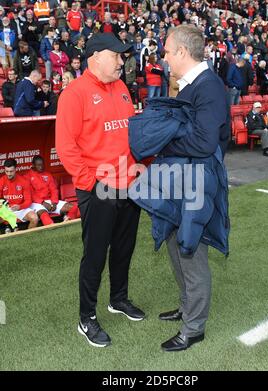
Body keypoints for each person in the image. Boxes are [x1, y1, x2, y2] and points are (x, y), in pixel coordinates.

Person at [56, 33, 145, 348]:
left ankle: (118, 299)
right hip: (99, 188)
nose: (122, 61)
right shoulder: (74, 94)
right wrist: (90, 184)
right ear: (95, 57)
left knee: (124, 248)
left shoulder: (121, 88)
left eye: (123, 56)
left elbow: (129, 134)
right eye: (117, 55)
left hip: (129, 185)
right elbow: (66, 147)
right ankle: (87, 318)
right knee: (95, 255)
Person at [157, 25, 230, 352]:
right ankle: (188, 307)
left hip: (197, 182)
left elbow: (203, 142)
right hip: (183, 179)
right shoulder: (192, 85)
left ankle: (194, 327)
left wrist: (164, 145)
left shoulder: (208, 86)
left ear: (183, 52)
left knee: (191, 251)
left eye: (168, 52)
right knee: (177, 245)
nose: (165, 58)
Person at [25, 155, 78, 226]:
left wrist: (54, 202)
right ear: (33, 165)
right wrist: (43, 203)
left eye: (42, 165)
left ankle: (68, 222)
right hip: (37, 203)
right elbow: (31, 194)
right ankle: (53, 229)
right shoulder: (27, 176)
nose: (41, 167)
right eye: (38, 165)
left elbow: (54, 189)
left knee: (74, 207)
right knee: (44, 215)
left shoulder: (48, 174)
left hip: (50, 201)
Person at [0, 159, 38, 231]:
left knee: (34, 218)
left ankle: (28, 238)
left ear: (15, 169)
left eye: (11, 171)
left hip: (20, 208)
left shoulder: (23, 181)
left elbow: (28, 201)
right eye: (6, 171)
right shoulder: (1, 181)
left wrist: (20, 206)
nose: (8, 174)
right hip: (6, 210)